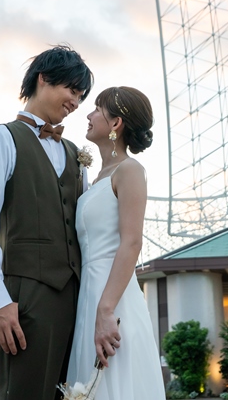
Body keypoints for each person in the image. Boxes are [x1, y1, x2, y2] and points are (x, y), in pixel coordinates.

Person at [0, 45, 94, 400]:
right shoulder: (1, 139)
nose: (76, 102)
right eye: (72, 90)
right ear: (44, 78)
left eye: (82, 97)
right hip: (25, 299)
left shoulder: (75, 154)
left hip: (77, 297)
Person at [65, 86, 165, 398]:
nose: (89, 114)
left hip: (114, 299)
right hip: (87, 297)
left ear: (116, 123)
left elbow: (132, 242)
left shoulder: (130, 170)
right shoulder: (93, 178)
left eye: (97, 109)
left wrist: (106, 309)